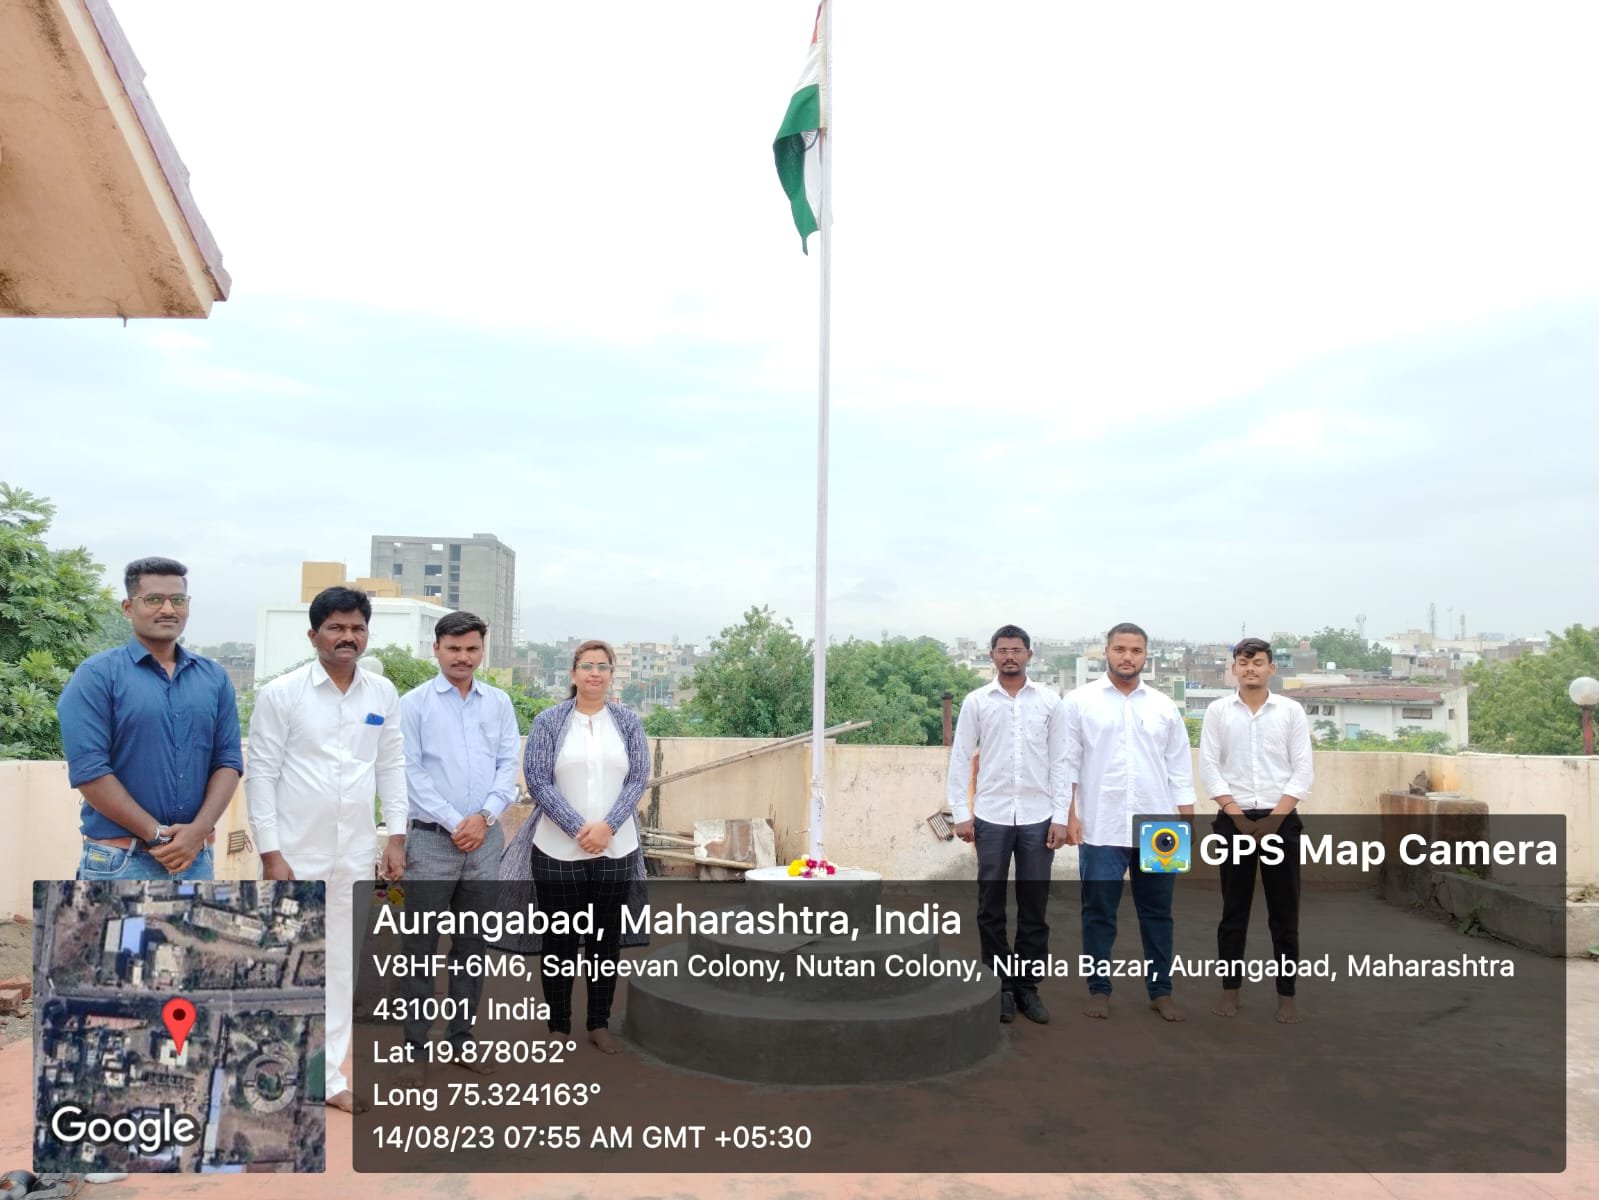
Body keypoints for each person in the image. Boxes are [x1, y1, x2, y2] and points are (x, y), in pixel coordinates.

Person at [245, 586, 407, 1113]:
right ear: (313, 634)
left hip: (355, 853)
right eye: (336, 628)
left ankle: (328, 1077)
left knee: (339, 967)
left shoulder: (382, 694)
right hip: (295, 853)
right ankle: (270, 1071)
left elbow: (391, 768)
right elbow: (262, 774)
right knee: (284, 961)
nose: (348, 637)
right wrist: (271, 852)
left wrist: (396, 836)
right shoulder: (282, 693)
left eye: (357, 628)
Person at [57, 557, 241, 881]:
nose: (168, 609)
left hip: (194, 860)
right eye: (154, 599)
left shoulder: (214, 678)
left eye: (178, 600)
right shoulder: (97, 676)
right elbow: (89, 771)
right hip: (120, 862)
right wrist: (157, 834)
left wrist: (197, 831)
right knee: (113, 935)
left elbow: (227, 761)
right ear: (128, 607)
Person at [509, 640, 648, 1053]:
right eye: (586, 666)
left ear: (611, 675)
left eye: (602, 667)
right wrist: (577, 828)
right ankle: (558, 1026)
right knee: (560, 941)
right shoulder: (549, 721)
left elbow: (638, 778)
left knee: (605, 940)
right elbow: (537, 779)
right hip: (555, 850)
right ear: (572, 674)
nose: (594, 673)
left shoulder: (627, 722)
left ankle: (598, 1023)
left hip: (616, 849)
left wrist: (606, 827)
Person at [397, 611, 521, 1069]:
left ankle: (461, 1039)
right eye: (453, 648)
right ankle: (416, 1044)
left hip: (486, 841)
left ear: (481, 651)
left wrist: (484, 817)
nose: (463, 657)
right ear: (436, 650)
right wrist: (456, 822)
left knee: (472, 947)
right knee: (420, 947)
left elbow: (508, 765)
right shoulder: (413, 704)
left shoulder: (499, 703)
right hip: (430, 841)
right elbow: (409, 774)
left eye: (471, 648)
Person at [1064, 622, 1194, 1022]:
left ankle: (1161, 991)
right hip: (1101, 823)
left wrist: (1187, 821)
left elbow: (1179, 767)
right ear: (1105, 651)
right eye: (1120, 648)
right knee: (1098, 910)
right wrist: (1069, 816)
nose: (1127, 657)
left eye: (1135, 651)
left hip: (1161, 827)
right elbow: (1067, 763)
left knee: (1158, 912)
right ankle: (1099, 990)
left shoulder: (1163, 706)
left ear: (1145, 656)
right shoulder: (1079, 701)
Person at [947, 624, 1070, 1025]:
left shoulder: (1050, 702)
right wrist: (961, 814)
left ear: (1030, 655)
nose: (1010, 656)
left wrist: (1061, 817)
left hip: (1038, 817)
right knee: (991, 905)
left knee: (1034, 906)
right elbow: (961, 757)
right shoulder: (977, 702)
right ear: (992, 656)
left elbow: (1061, 762)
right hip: (991, 816)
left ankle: (1027, 989)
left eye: (1017, 649)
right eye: (1003, 650)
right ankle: (999, 986)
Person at [1200, 636, 1314, 1024]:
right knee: (1234, 911)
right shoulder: (1218, 711)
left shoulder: (1291, 712)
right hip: (1233, 821)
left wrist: (1273, 821)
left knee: (1285, 913)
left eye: (1258, 663)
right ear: (1233, 668)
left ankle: (1287, 995)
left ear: (1271, 668)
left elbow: (1302, 770)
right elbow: (1210, 767)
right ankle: (1230, 991)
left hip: (1280, 821)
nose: (1251, 669)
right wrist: (1237, 816)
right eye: (1243, 663)